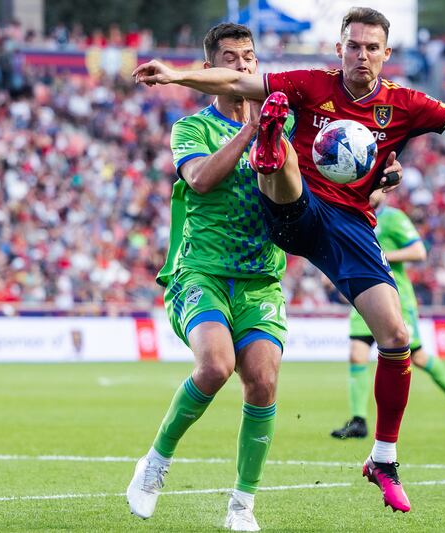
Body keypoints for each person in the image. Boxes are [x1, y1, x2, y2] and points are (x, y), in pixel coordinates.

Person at [133, 6, 445, 513]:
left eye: (372, 47)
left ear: (386, 54)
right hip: (295, 207)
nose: (362, 54)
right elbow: (234, 79)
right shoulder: (308, 83)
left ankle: (383, 457)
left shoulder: (405, 105)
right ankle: (268, 150)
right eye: (354, 45)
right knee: (278, 144)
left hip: (349, 226)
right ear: (339, 49)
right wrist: (175, 73)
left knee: (395, 338)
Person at [126, 23, 295, 532]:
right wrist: (251, 129)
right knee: (217, 366)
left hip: (260, 279)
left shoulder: (284, 132)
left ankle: (242, 504)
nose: (243, 66)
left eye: (249, 57)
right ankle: (155, 463)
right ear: (210, 70)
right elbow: (198, 180)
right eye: (230, 57)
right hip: (200, 271)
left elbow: (308, 198)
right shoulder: (191, 129)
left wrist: (374, 188)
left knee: (262, 382)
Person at [331, 193, 445, 440]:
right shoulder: (352, 214)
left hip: (397, 298)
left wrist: (378, 255)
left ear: (382, 191)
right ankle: (359, 420)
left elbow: (418, 251)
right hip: (363, 295)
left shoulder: (393, 218)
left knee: (417, 356)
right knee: (357, 354)